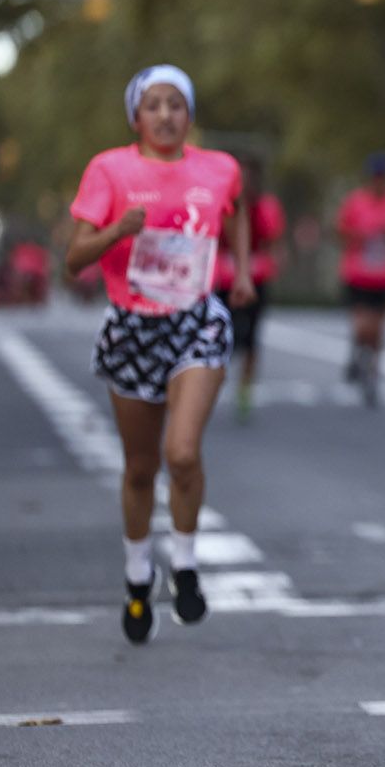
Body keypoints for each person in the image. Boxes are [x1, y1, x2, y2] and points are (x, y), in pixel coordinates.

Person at [65, 64, 254, 645]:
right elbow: (74, 259)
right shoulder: (109, 169)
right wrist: (117, 231)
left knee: (183, 453)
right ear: (136, 117)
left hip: (196, 321)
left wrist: (243, 272)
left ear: (189, 114)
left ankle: (186, 565)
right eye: (154, 105)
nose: (166, 115)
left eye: (176, 104)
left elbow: (237, 209)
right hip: (133, 327)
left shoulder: (219, 168)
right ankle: (137, 575)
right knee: (141, 468)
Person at [337, 153, 385, 408]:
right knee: (362, 327)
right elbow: (340, 231)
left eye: (383, 177)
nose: (379, 181)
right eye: (376, 177)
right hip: (358, 273)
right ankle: (357, 352)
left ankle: (372, 375)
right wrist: (359, 235)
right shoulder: (356, 201)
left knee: (378, 330)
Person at [213, 154, 286, 422]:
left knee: (252, 338)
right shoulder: (219, 204)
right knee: (222, 335)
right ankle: (210, 383)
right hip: (223, 279)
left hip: (256, 278)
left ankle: (245, 389)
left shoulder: (265, 207)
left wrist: (274, 262)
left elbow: (273, 240)